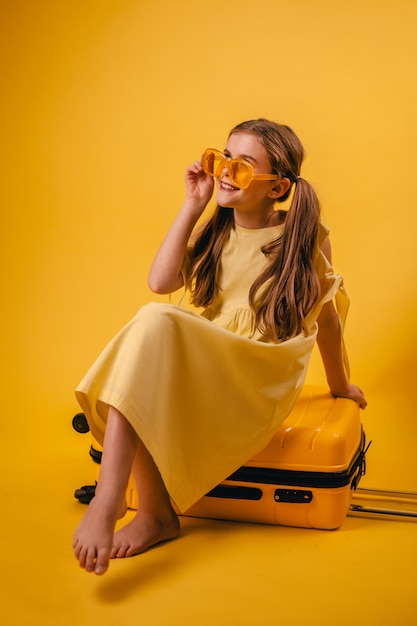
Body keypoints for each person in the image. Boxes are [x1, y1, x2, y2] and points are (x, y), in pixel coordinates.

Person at [73, 119, 367, 575]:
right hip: (213, 363)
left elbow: (327, 319)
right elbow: (160, 282)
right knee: (149, 342)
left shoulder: (304, 238)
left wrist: (341, 385)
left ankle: (109, 498)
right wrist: (193, 205)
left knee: (154, 323)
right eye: (221, 158)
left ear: (278, 188)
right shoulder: (215, 231)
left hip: (258, 376)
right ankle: (153, 514)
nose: (226, 172)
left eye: (243, 166)